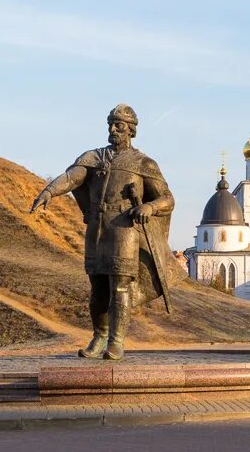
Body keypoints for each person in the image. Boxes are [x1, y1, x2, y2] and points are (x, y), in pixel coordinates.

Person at [30, 104, 175, 360]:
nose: (112, 129)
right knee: (97, 287)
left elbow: (167, 199)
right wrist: (49, 191)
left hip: (124, 229)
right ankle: (99, 337)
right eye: (110, 124)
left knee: (119, 287)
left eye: (118, 125)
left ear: (131, 130)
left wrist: (150, 207)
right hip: (97, 228)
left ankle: (116, 342)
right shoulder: (94, 157)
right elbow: (72, 178)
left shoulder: (143, 163)